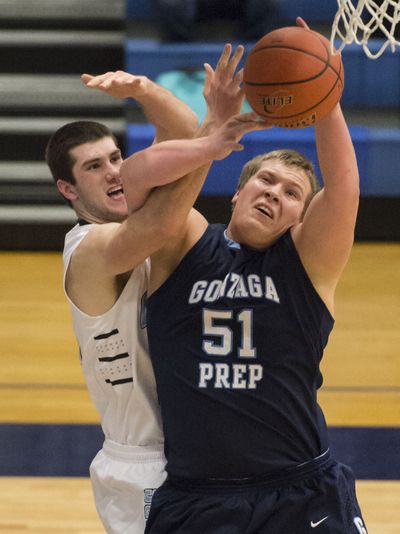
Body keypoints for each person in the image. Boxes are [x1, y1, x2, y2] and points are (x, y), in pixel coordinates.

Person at [120, 19, 369, 534]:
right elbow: (136, 179)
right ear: (237, 192)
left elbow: (343, 187)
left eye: (293, 192)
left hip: (301, 490)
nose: (276, 192)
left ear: (302, 218)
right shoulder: (183, 241)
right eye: (266, 180)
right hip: (197, 499)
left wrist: (328, 96)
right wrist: (212, 132)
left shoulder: (306, 265)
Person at [45, 44, 266, 534]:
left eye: (116, 158)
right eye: (93, 168)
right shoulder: (87, 252)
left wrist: (142, 88)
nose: (115, 174)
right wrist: (213, 141)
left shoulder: (134, 218)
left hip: (198, 451)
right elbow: (158, 227)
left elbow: (182, 138)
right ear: (68, 190)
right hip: (142, 465)